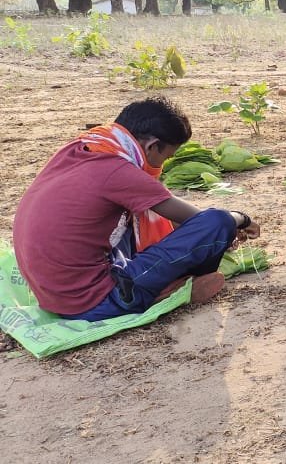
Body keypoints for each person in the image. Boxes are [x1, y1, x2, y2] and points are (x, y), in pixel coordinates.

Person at [11, 97, 261, 321]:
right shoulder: (117, 170)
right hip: (95, 301)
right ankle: (169, 290)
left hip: (54, 296)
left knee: (129, 219)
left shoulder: (85, 147)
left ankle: (165, 284)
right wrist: (239, 220)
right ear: (152, 146)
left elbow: (168, 212)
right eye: (166, 156)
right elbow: (201, 221)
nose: (163, 164)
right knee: (218, 221)